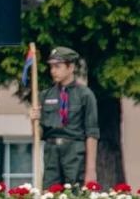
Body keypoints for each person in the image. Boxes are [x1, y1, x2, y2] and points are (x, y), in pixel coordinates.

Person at [30, 46, 99, 186]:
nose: (53, 71)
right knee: (50, 194)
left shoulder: (85, 95)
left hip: (74, 151)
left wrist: (91, 170)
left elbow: (92, 133)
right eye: (51, 67)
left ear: (71, 67)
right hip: (51, 151)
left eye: (57, 66)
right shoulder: (45, 95)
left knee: (75, 194)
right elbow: (39, 134)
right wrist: (34, 121)